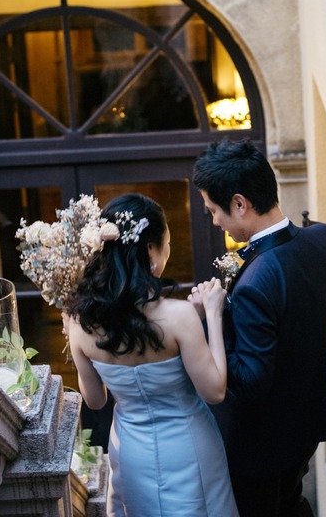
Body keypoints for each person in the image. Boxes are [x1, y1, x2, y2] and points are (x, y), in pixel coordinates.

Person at [189, 138, 326, 517]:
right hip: (304, 426)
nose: (214, 220)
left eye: (214, 210)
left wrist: (215, 317)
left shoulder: (257, 281)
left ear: (240, 204)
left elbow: (251, 381)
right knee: (292, 505)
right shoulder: (323, 241)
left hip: (258, 448)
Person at [62, 193, 239, 517]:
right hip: (188, 447)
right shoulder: (180, 316)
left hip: (131, 450)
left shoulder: (80, 323)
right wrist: (212, 316)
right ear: (151, 251)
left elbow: (95, 401)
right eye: (167, 242)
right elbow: (214, 391)